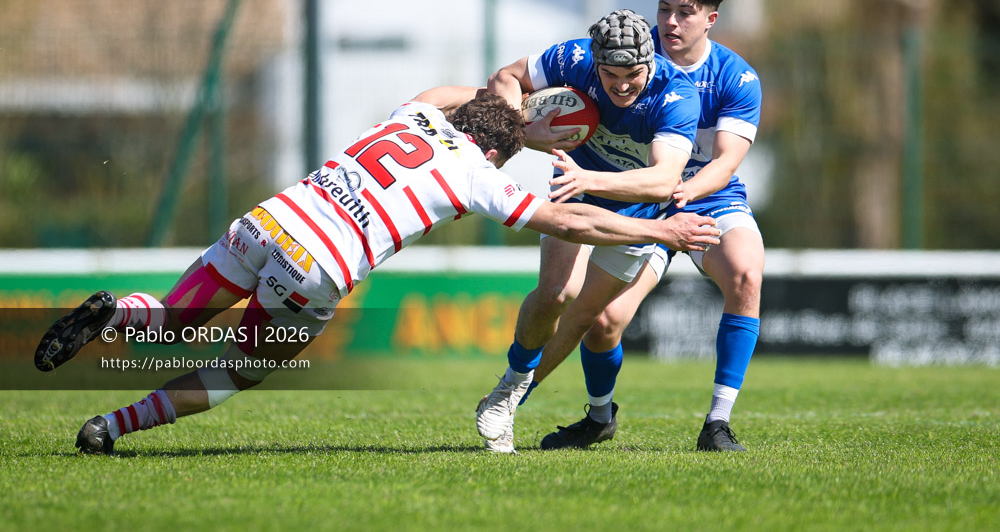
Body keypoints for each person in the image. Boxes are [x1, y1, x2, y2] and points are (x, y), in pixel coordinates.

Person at [35, 87, 720, 456]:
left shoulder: (415, 110)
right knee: (233, 371)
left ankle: (117, 315)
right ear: (497, 149)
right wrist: (661, 227)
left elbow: (462, 96)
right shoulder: (477, 176)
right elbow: (572, 221)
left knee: (173, 322)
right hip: (316, 267)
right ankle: (110, 428)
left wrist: (511, 109)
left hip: (271, 219)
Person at [527, 0, 765, 452]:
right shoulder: (625, 54)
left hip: (701, 195)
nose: (671, 22)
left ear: (710, 19)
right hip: (632, 193)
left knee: (745, 273)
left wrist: (683, 191)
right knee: (603, 322)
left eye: (685, 12)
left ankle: (717, 423)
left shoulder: (735, 78)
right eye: (664, 10)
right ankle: (598, 416)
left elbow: (725, 163)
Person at [475, 8, 704, 453]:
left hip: (636, 212)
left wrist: (590, 178)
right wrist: (517, 128)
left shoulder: (677, 94)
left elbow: (662, 180)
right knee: (558, 293)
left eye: (633, 75)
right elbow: (506, 76)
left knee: (594, 320)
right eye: (611, 74)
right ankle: (507, 392)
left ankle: (576, 413)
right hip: (574, 190)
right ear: (593, 62)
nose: (621, 86)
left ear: (651, 62)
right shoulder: (572, 59)